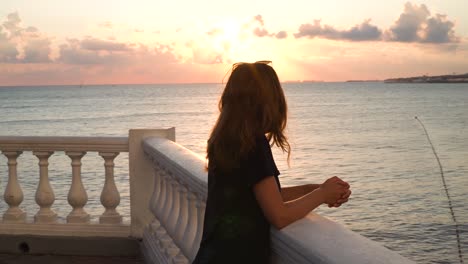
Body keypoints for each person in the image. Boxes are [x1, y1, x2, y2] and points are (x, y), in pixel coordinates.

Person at [192, 61, 351, 264]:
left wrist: (313, 190)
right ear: (269, 101)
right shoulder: (254, 145)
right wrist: (321, 195)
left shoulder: (224, 141)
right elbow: (279, 216)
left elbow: (258, 196)